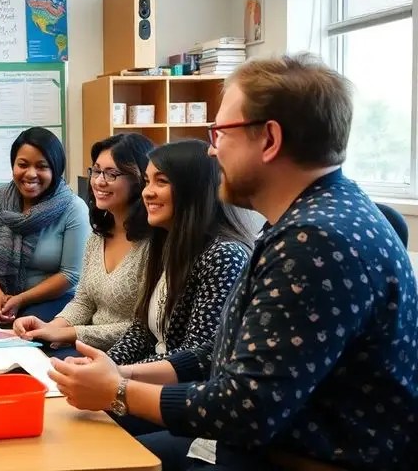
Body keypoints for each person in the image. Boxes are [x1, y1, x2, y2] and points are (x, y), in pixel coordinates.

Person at [48, 54, 417, 470]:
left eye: (220, 131)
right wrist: (123, 375)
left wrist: (118, 393)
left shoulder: (313, 241)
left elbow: (247, 407)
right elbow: (223, 356)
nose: (211, 148)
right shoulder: (316, 218)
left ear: (270, 139)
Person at [107, 140, 254, 368]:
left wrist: (121, 374)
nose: (147, 192)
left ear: (193, 189)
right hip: (149, 379)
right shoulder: (166, 243)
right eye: (147, 181)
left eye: (161, 181)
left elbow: (196, 356)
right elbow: (142, 332)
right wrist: (103, 363)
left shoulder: (224, 255)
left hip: (177, 391)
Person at [13, 133, 154, 352]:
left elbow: (146, 328)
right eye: (96, 170)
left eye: (111, 174)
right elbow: (84, 301)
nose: (98, 181)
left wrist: (69, 333)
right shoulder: (98, 236)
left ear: (138, 180)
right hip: (89, 346)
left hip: (129, 356)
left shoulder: (154, 243)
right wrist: (50, 326)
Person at [0, 127, 91, 329]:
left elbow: (70, 274)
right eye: (22, 165)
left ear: (56, 168)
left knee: (26, 338)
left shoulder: (73, 208)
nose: (31, 174)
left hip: (54, 299)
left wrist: (21, 299)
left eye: (42, 166)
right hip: (3, 294)